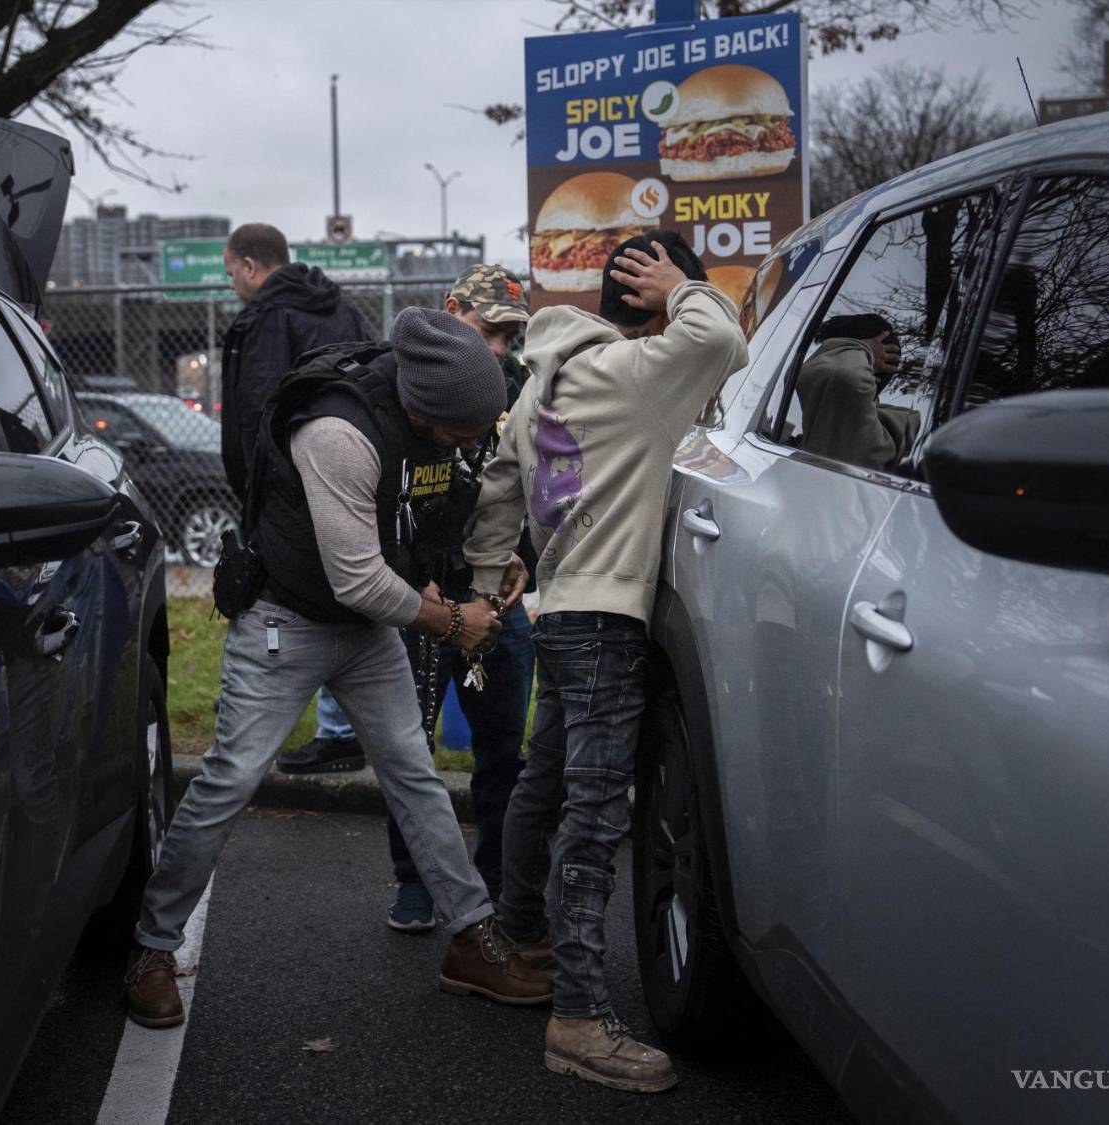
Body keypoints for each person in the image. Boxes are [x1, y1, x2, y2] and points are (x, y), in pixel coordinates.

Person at [126, 308, 552, 1029]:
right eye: (464, 432)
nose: (471, 444)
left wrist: (494, 559)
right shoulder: (338, 433)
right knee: (229, 778)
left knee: (414, 775)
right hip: (284, 621)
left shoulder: (431, 429)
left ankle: (470, 939)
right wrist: (453, 621)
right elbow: (357, 578)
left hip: (366, 630)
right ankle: (152, 947)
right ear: (426, 409)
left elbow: (432, 515)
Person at [463, 232, 748, 1093]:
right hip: (608, 620)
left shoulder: (539, 383)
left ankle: (519, 938)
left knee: (542, 783)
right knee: (592, 818)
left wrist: (489, 576)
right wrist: (687, 284)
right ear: (652, 298)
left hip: (559, 613)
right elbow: (722, 340)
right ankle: (580, 1016)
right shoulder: (639, 373)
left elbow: (496, 494)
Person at [281, 266, 537, 934]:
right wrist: (425, 588)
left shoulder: (521, 388)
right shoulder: (409, 389)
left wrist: (517, 561)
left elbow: (525, 488)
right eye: (490, 331)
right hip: (422, 592)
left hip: (494, 591)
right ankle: (415, 882)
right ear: (452, 310)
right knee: (409, 749)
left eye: (511, 337)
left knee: (504, 749)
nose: (500, 349)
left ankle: (497, 884)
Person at [218, 222, 373, 502]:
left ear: (249, 267)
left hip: (282, 492)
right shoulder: (342, 307)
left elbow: (257, 408)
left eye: (232, 273)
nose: (232, 284)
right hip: (354, 470)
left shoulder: (263, 319)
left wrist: (255, 487)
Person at [796, 313, 918, 471]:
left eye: (832, 352)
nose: (814, 360)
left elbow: (847, 377)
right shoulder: (817, 436)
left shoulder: (875, 436)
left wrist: (864, 350)